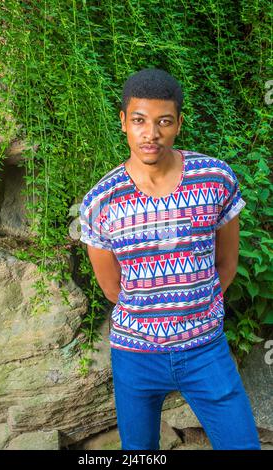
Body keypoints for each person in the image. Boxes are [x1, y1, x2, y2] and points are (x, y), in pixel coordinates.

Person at [77, 68, 261, 450]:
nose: (151, 133)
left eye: (164, 121)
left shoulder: (214, 178)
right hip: (135, 357)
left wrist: (195, 309)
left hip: (205, 350)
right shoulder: (100, 201)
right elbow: (112, 288)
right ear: (123, 121)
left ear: (178, 123)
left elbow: (226, 264)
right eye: (140, 121)